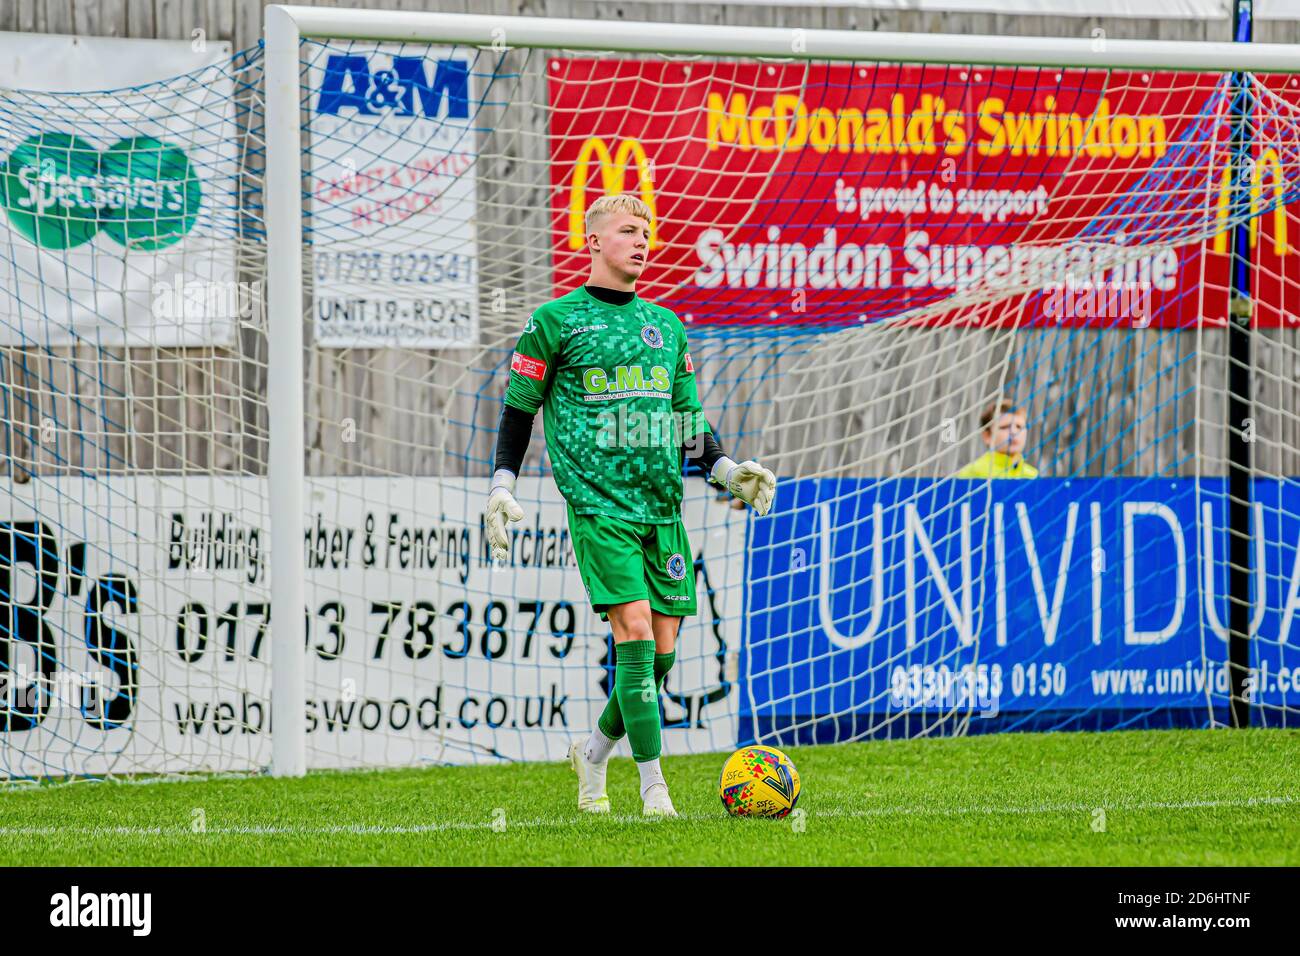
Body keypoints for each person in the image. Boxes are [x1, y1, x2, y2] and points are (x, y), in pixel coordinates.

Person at [485, 194, 776, 818]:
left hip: (662, 510)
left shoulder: (666, 327)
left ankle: (591, 753)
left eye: (646, 232)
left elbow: (687, 418)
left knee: (662, 655)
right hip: (599, 508)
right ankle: (654, 790)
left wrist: (725, 470)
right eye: (626, 231)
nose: (641, 241)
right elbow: (518, 406)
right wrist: (502, 482)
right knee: (635, 633)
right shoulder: (554, 321)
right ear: (593, 242)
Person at [955, 398, 1039, 478]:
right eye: (1005, 427)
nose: (1014, 432)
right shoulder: (972, 472)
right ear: (987, 436)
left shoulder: (1033, 476)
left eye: (1019, 427)